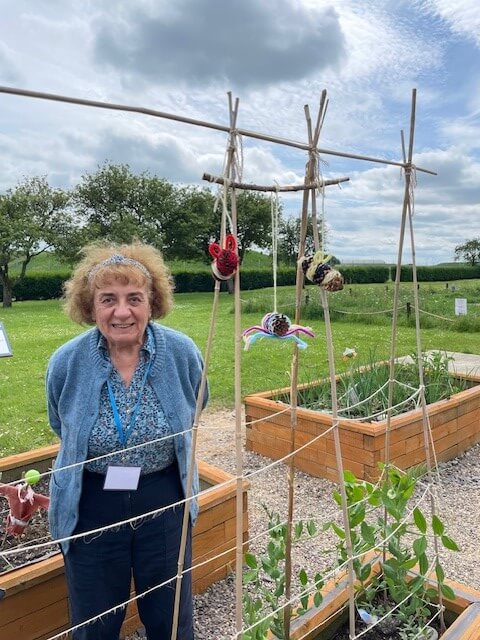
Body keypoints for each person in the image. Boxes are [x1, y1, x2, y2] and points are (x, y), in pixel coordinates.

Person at [46, 241, 207, 640]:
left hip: (163, 495)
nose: (122, 311)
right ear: (90, 306)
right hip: (93, 502)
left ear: (152, 302)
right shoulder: (65, 362)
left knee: (170, 618)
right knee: (94, 622)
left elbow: (196, 403)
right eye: (108, 299)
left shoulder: (182, 353)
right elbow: (60, 424)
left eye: (134, 298)